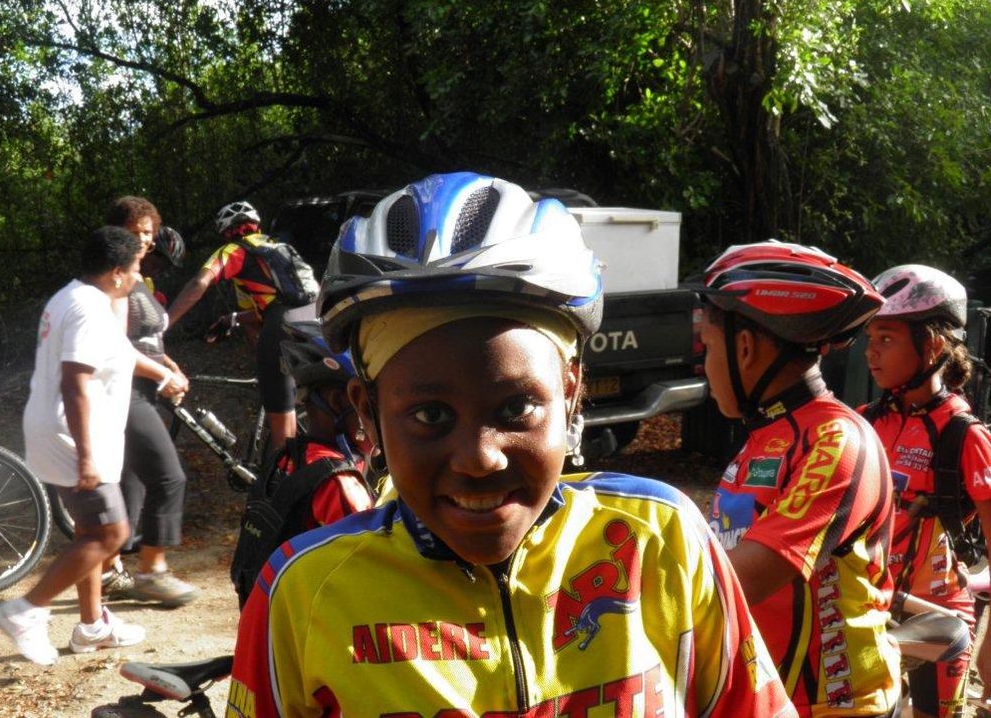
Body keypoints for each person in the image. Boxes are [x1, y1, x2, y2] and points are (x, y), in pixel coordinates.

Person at [225, 172, 795, 718]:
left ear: (571, 394)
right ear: (368, 414)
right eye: (429, 414)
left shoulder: (660, 538)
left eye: (517, 408)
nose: (479, 458)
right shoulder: (301, 595)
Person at [693, 240, 901, 717]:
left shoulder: (835, 438)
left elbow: (740, 580)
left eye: (708, 348)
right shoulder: (764, 438)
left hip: (837, 707)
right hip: (772, 700)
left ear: (744, 349)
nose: (704, 367)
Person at [0, 226, 186, 666]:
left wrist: (164, 374)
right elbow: (75, 379)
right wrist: (85, 455)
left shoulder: (77, 298)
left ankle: (92, 626)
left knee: (89, 531)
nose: (140, 275)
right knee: (111, 533)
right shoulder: (87, 308)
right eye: (136, 267)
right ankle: (25, 611)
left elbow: (118, 352)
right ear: (117, 272)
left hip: (66, 430)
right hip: (73, 435)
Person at [861, 264, 991, 718]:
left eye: (887, 339)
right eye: (869, 340)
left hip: (939, 620)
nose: (871, 353)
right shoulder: (865, 422)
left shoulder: (963, 435)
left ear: (932, 345)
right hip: (870, 610)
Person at [229, 316, 376, 608]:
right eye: (369, 406)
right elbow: (370, 572)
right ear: (338, 402)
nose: (377, 418)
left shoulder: (287, 460)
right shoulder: (337, 482)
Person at [101, 196, 199, 607]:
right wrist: (164, 374)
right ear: (116, 233)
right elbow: (114, 346)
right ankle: (152, 572)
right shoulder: (116, 279)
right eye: (134, 232)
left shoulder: (139, 278)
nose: (143, 240)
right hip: (123, 393)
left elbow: (149, 339)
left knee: (131, 487)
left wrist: (170, 364)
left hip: (144, 389)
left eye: (147, 233)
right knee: (168, 477)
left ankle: (106, 573)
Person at [166, 201, 301, 453]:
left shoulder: (234, 251)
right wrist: (234, 319)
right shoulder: (280, 248)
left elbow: (199, 282)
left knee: (283, 427)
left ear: (227, 231)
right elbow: (265, 309)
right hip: (312, 320)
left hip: (282, 324)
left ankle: (286, 482)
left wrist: (163, 323)